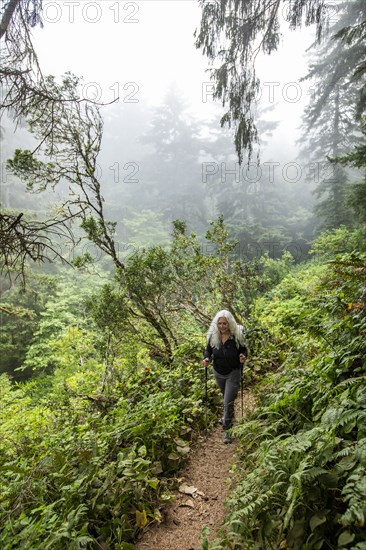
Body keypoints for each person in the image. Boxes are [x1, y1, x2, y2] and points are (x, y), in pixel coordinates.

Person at [202, 309, 247, 443]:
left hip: (233, 372)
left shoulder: (236, 335)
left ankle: (227, 430)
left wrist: (243, 356)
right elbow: (208, 351)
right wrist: (206, 359)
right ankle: (227, 416)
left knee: (228, 401)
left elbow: (244, 349)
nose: (222, 326)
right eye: (220, 323)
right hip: (218, 372)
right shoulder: (213, 335)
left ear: (230, 324)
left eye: (225, 324)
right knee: (226, 398)